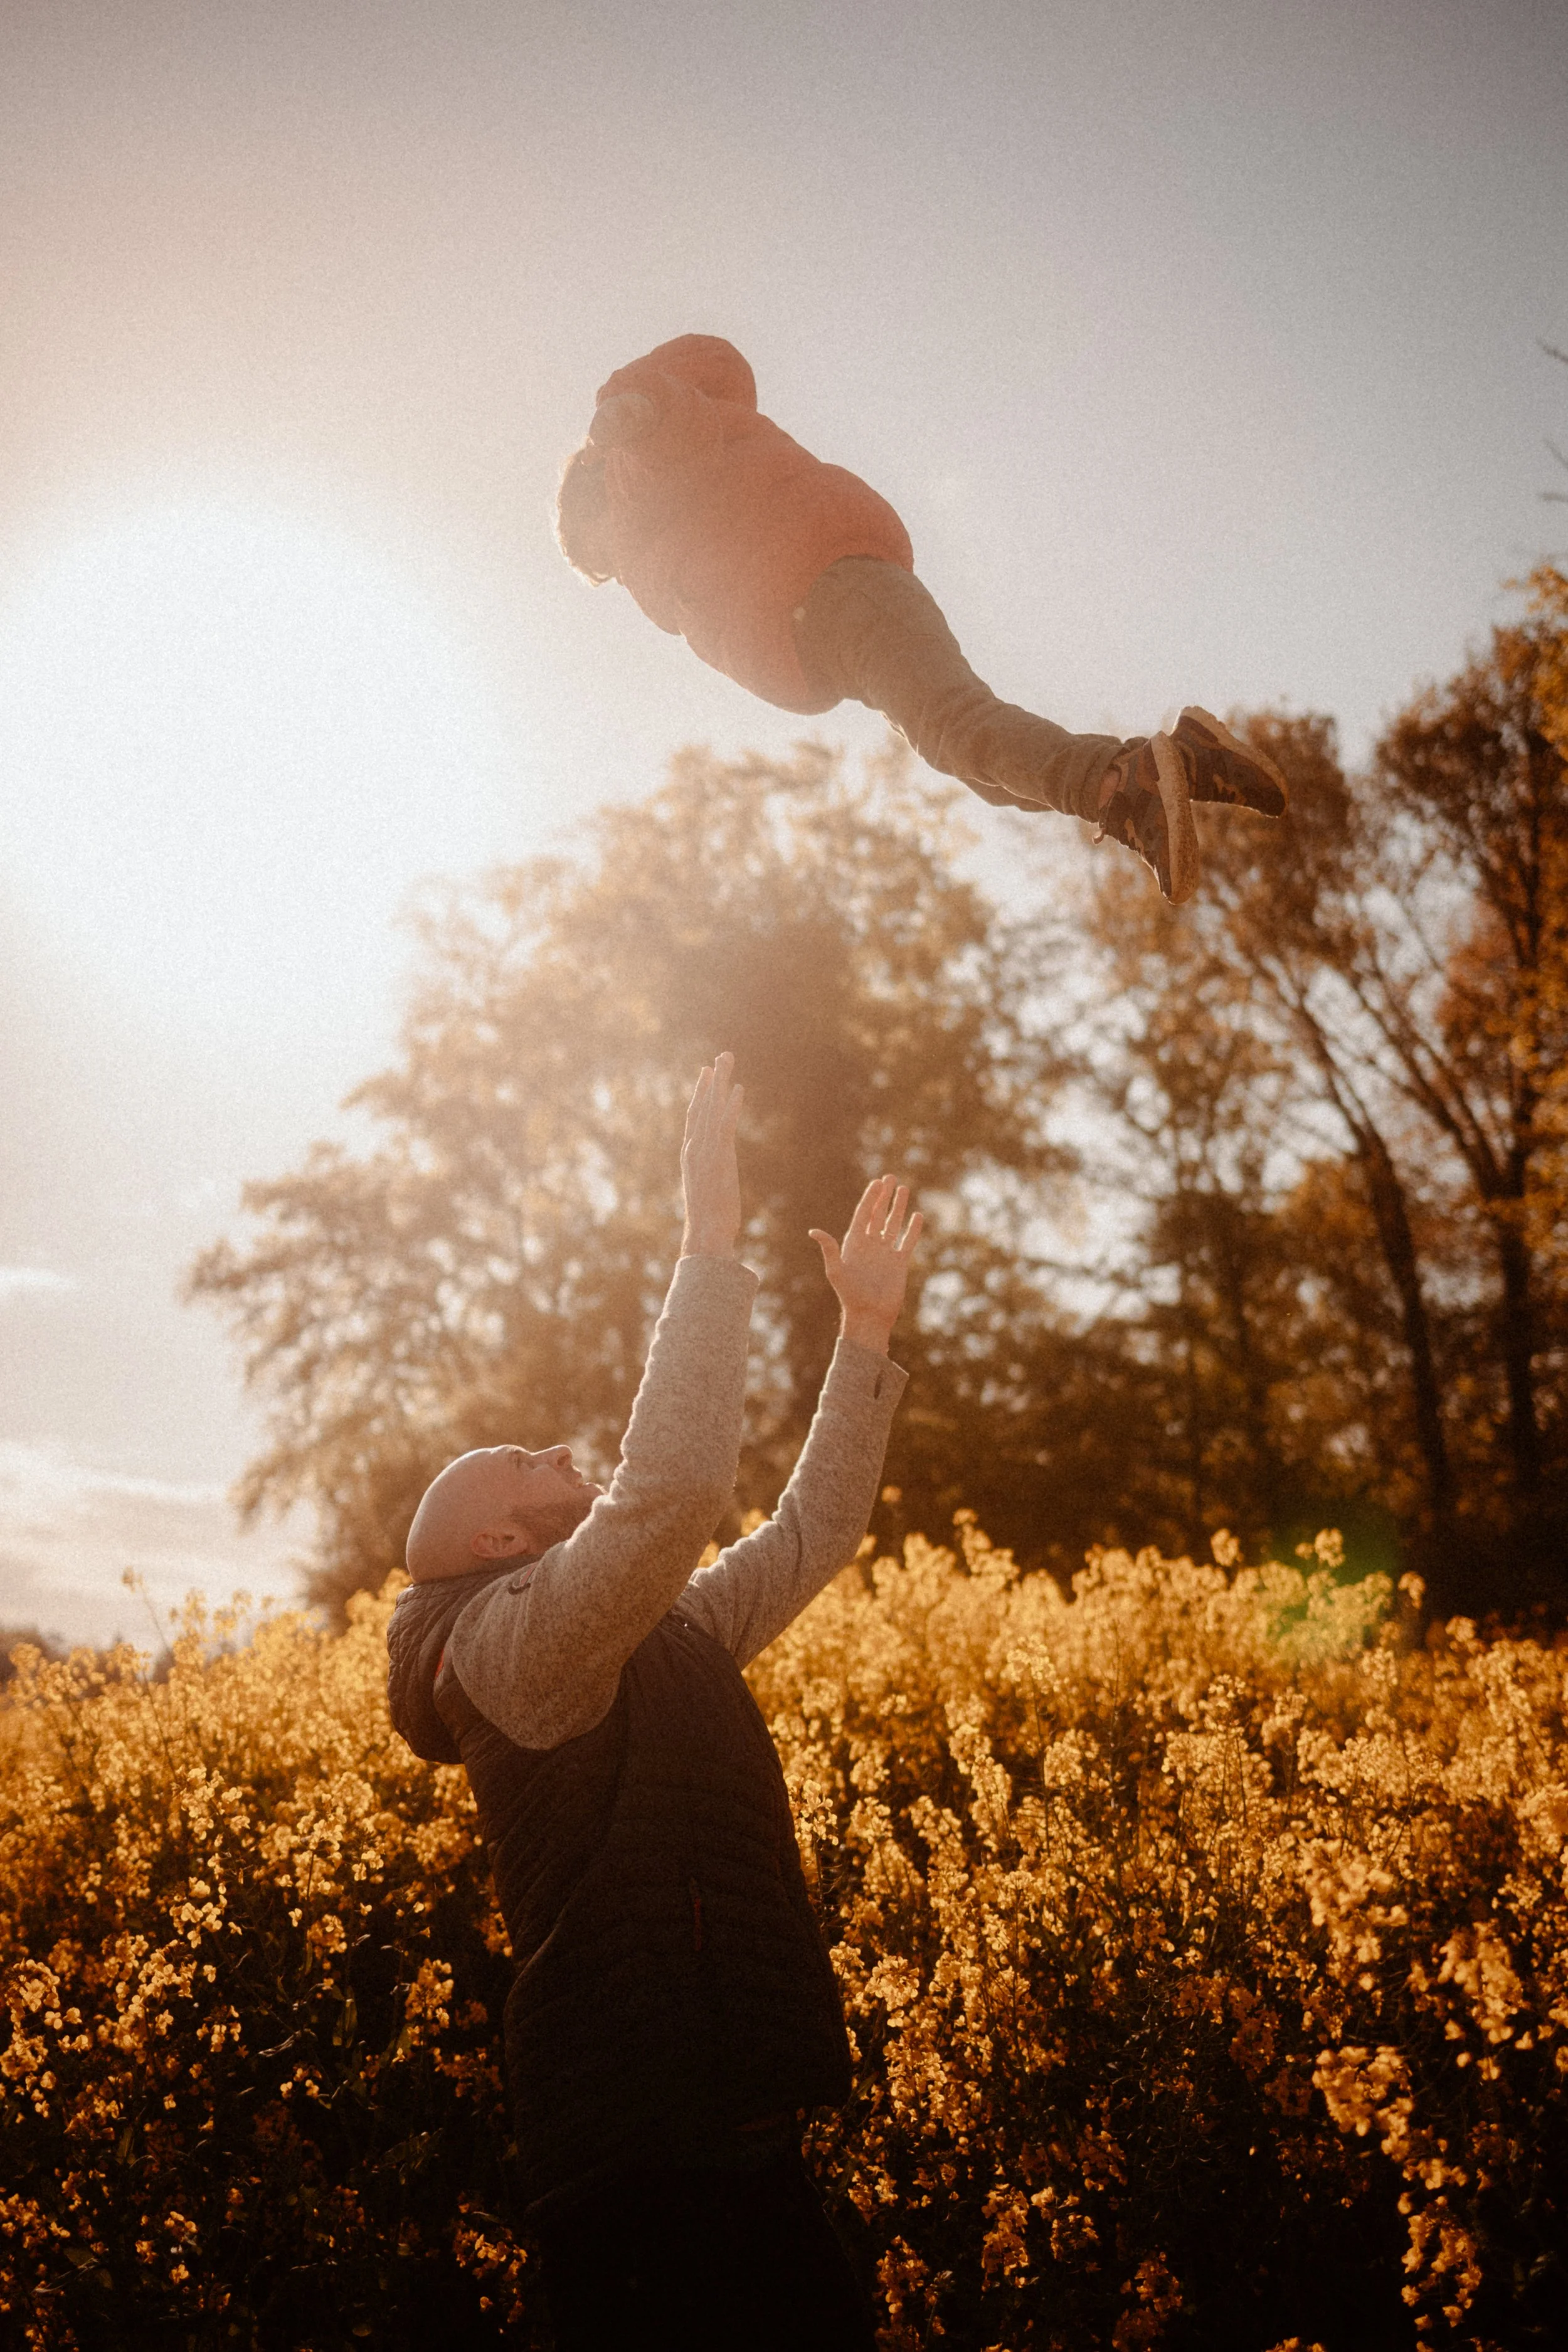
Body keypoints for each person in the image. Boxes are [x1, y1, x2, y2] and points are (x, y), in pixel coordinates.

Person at [386, 1055, 921, 2351]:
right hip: (631, 2163)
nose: (556, 1452)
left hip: (726, 2131)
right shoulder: (509, 1654)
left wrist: (861, 1336)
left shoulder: (656, 1635)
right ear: (500, 1550)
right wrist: (709, 1238)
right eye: (523, 1465)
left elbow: (809, 1538)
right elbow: (670, 1487)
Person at [555, 331, 1290, 906]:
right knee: (985, 766)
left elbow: (670, 423)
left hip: (833, 597)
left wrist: (628, 411)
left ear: (594, 499)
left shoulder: (636, 477)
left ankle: (1122, 783)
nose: (617, 574)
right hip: (842, 617)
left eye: (604, 561)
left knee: (959, 732)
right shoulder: (655, 515)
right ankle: (1186, 761)